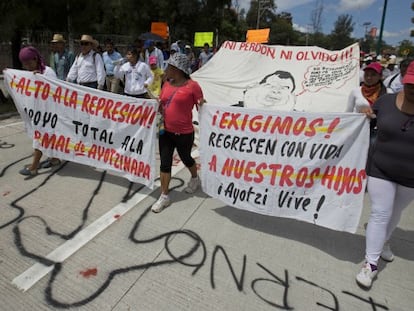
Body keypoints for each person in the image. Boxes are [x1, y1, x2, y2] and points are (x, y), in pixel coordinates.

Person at [355, 60, 414, 289]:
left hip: (410, 177)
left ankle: (384, 241)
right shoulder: (386, 101)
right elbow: (369, 117)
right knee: (381, 212)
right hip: (380, 169)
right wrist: (365, 113)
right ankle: (370, 264)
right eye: (410, 86)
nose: (412, 91)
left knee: (395, 213)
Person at [151, 53, 205, 213]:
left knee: (186, 158)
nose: (166, 69)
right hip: (165, 130)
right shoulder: (166, 83)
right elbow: (163, 101)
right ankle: (164, 196)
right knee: (165, 163)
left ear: (178, 70)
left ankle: (195, 178)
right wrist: (158, 105)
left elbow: (203, 106)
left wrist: (204, 105)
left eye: (170, 67)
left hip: (185, 133)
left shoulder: (193, 86)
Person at [17, 46, 61, 176]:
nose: (27, 66)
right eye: (24, 64)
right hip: (37, 112)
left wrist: (40, 79)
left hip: (48, 113)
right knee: (46, 137)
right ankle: (54, 159)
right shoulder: (30, 73)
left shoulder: (48, 72)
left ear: (35, 59)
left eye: (29, 63)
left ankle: (33, 167)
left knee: (40, 138)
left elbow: (55, 91)